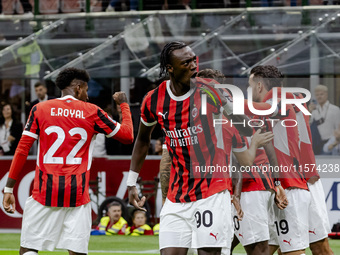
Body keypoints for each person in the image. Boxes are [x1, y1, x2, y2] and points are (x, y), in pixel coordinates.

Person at [126, 41, 273, 255]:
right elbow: (142, 140)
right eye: (186, 62)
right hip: (178, 196)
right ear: (170, 68)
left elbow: (245, 129)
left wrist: (225, 104)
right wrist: (132, 182)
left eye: (194, 60)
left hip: (211, 192)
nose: (193, 65)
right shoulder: (153, 100)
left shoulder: (209, 90)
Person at [2, 67, 134, 255]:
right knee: (77, 251)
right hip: (77, 194)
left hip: (44, 192)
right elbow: (128, 136)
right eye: (86, 90)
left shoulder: (40, 109)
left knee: (29, 249)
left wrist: (9, 188)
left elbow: (22, 149)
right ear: (78, 88)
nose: (87, 96)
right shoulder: (93, 112)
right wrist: (124, 105)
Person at [247, 65, 310, 255]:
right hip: (280, 187)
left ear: (259, 86)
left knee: (293, 251)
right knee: (268, 248)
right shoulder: (281, 100)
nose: (248, 91)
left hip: (290, 188)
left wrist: (226, 103)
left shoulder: (278, 99)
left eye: (250, 86)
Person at [309, 85, 340, 154]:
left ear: (326, 94)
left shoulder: (335, 109)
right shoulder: (314, 110)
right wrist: (309, 112)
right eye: (317, 95)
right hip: (317, 143)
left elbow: (338, 127)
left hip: (331, 142)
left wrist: (335, 142)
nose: (319, 96)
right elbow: (308, 126)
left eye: (321, 94)